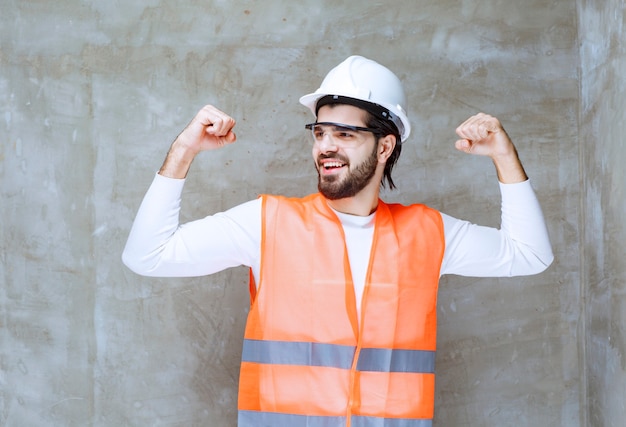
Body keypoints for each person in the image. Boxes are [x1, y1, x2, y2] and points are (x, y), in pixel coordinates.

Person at [123, 55, 554, 427]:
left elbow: (530, 254)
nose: (325, 147)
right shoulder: (267, 222)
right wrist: (183, 151)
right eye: (319, 132)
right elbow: (148, 256)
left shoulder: (428, 234)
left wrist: (503, 155)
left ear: (385, 146)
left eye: (344, 134)